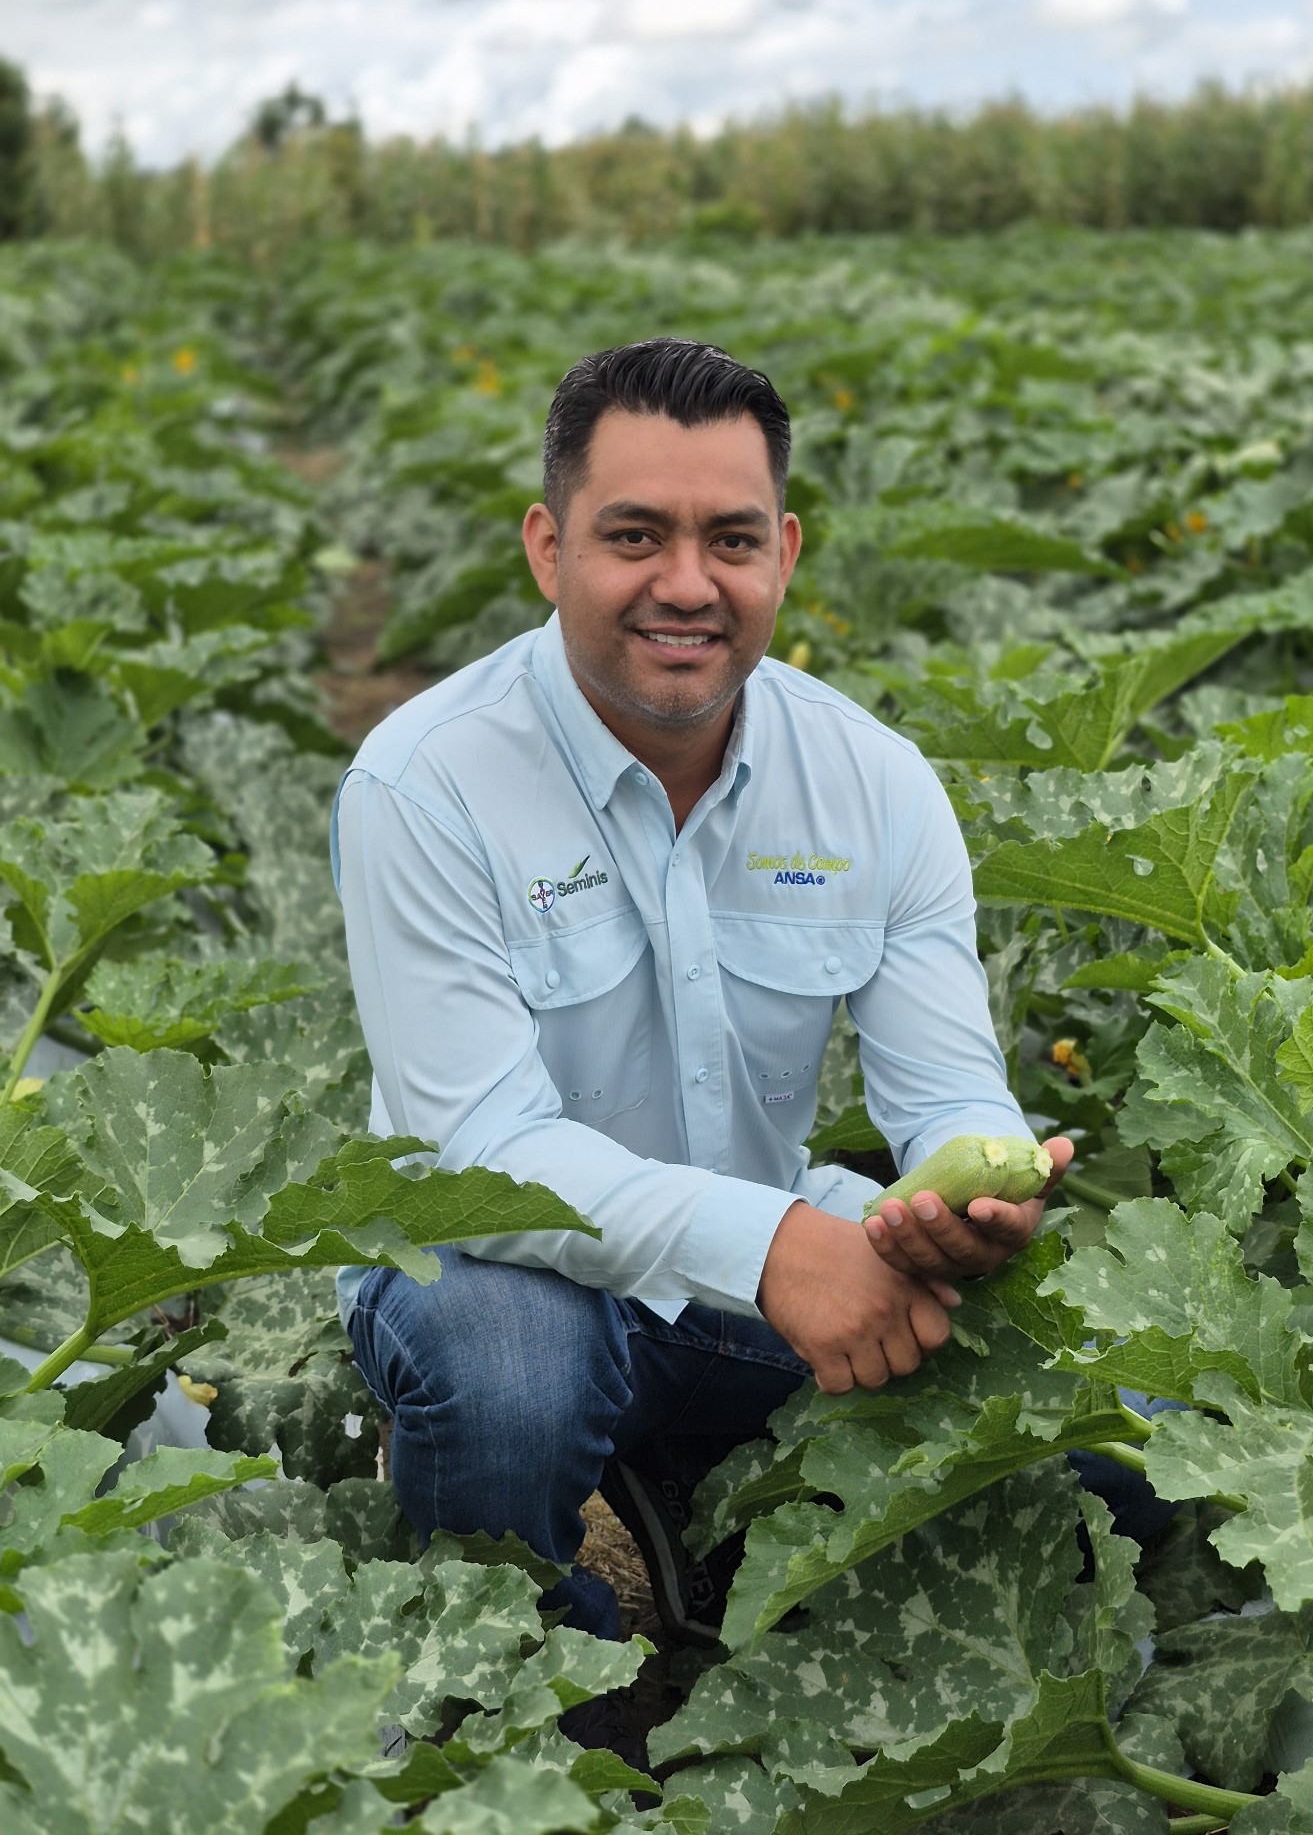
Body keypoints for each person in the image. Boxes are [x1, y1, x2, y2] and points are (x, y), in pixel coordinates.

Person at [332, 337, 1073, 1651]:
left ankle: (714, 1504)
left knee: (1112, 1445)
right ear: (549, 551)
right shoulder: (425, 781)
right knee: (506, 1373)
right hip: (486, 1263)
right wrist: (784, 1249)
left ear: (785, 553)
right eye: (633, 537)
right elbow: (478, 1152)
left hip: (753, 1280)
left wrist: (964, 1207)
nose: (688, 584)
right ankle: (522, 1688)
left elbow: (948, 1088)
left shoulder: (877, 783)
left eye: (730, 539)